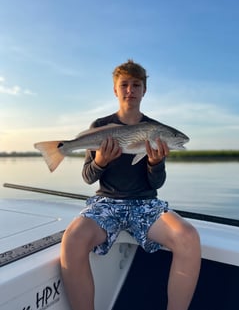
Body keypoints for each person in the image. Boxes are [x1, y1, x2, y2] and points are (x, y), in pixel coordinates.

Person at [60, 60, 201, 310]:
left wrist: (155, 163)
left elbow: (156, 182)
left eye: (136, 85)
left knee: (188, 236)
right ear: (115, 90)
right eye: (124, 85)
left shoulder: (155, 130)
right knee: (72, 239)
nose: (130, 90)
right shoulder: (100, 127)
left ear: (144, 90)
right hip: (107, 202)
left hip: (145, 203)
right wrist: (101, 161)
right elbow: (88, 177)